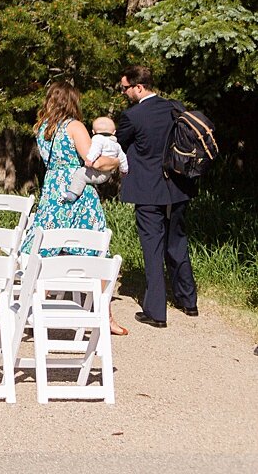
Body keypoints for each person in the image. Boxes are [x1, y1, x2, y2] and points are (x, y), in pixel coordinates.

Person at [20, 80, 126, 335]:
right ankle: (105, 315)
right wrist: (115, 161)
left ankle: (34, 311)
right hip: (76, 191)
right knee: (95, 251)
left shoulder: (42, 127)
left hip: (52, 189)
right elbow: (94, 161)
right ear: (73, 101)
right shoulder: (75, 126)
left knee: (48, 248)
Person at [116, 65, 198, 328]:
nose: (124, 93)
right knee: (177, 241)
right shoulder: (175, 108)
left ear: (138, 87)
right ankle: (189, 301)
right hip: (178, 186)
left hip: (148, 189)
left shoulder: (133, 116)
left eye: (125, 88)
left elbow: (121, 143)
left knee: (152, 248)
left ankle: (156, 312)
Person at [63, 116, 127, 202]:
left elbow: (95, 150)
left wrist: (89, 159)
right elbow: (123, 158)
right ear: (114, 132)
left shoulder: (98, 139)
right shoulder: (117, 145)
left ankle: (73, 194)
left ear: (93, 132)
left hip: (97, 171)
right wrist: (124, 170)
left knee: (80, 174)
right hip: (107, 174)